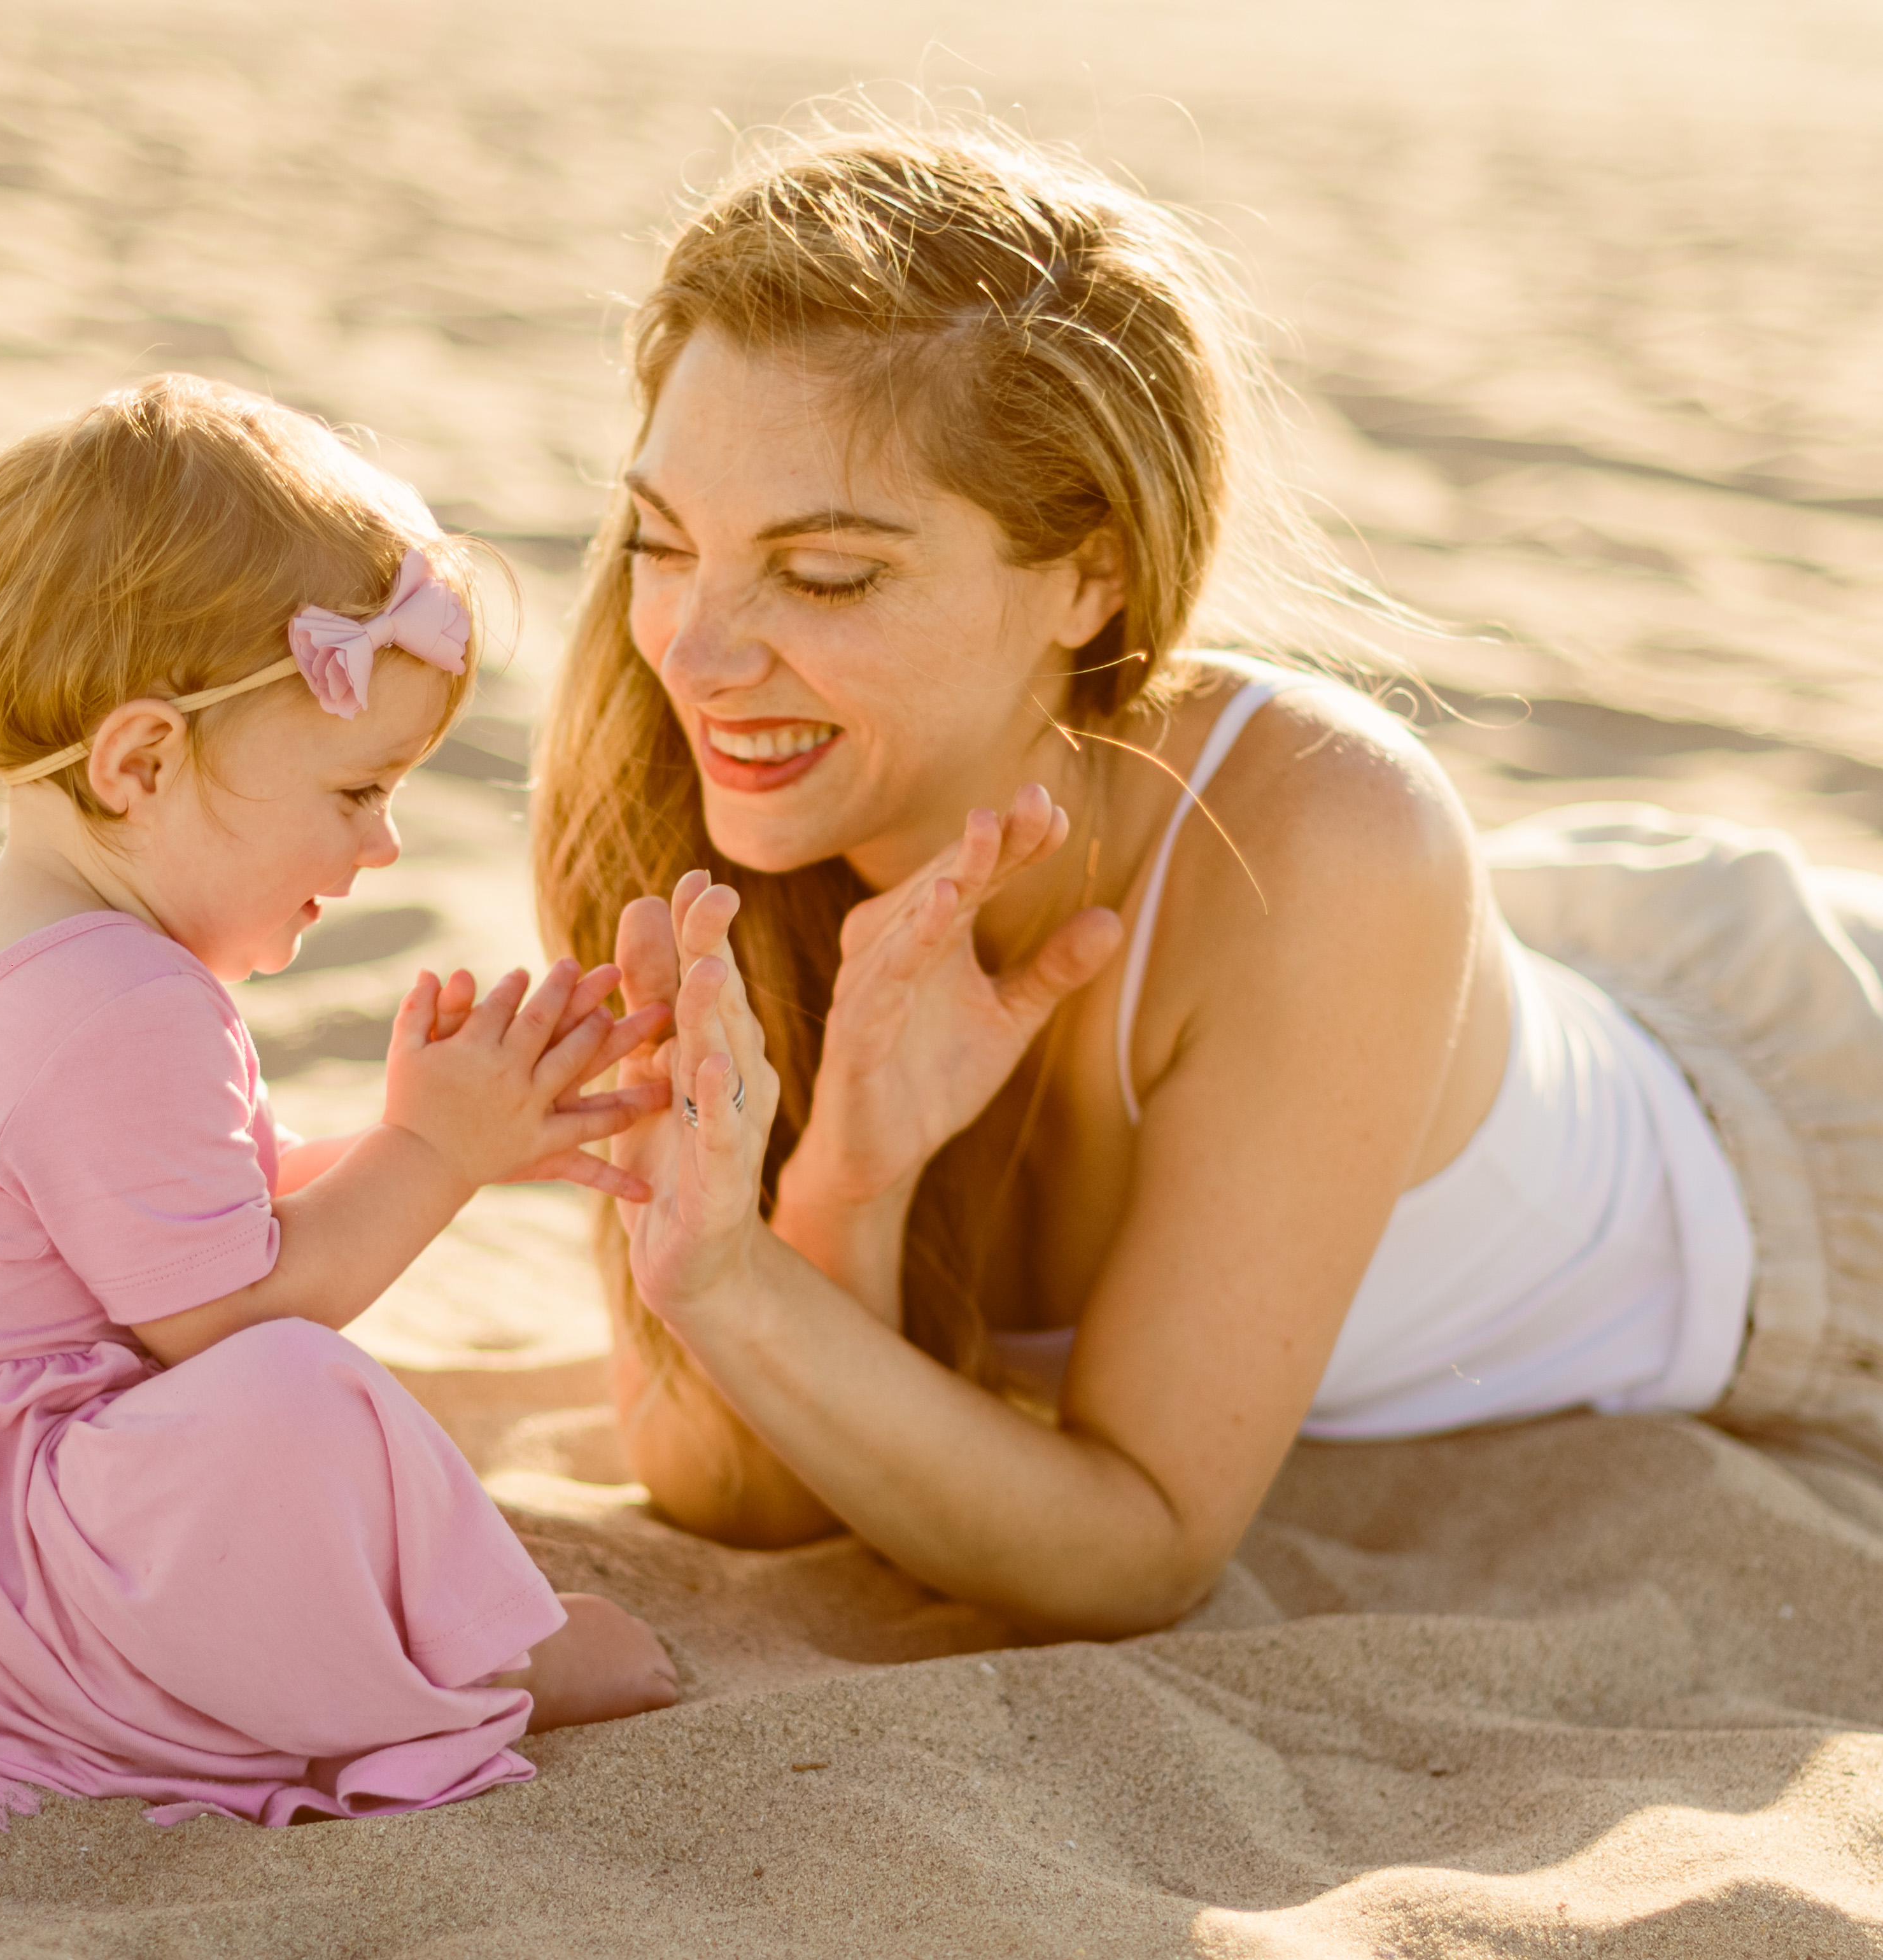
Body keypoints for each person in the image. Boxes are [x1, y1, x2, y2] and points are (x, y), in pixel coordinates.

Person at [533, 122, 1883, 1640]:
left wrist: (740, 1281)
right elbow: (738, 1487)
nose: (696, 653)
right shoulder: (665, 804)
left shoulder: (1319, 839)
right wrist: (846, 1189)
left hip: (1809, 1172)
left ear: (1090, 573)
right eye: (663, 543)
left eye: (825, 574)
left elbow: (1138, 1550)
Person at [0, 376, 680, 1828]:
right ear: (141, 762)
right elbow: (228, 1315)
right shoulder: (116, 999)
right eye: (356, 791)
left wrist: (458, 1136)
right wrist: (429, 1152)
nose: (386, 844)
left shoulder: (33, 942)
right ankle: (475, 1668)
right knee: (296, 1399)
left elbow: (197, 1213)